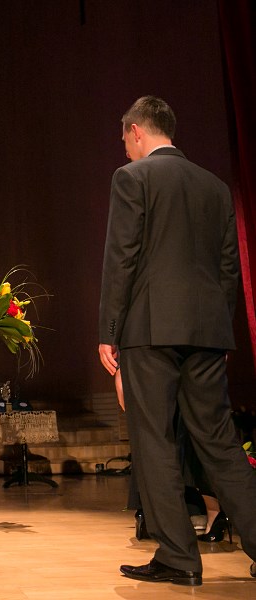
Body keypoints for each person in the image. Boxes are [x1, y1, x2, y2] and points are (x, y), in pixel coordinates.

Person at [98, 96, 256, 585]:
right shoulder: (214, 186)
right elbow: (228, 268)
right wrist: (217, 331)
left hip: (150, 330)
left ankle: (179, 557)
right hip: (206, 332)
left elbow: (122, 257)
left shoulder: (132, 177)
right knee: (220, 441)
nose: (125, 149)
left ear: (136, 130)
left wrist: (108, 332)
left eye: (125, 139)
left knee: (154, 441)